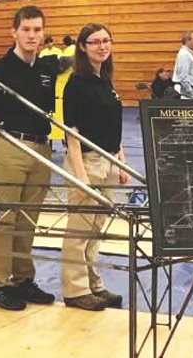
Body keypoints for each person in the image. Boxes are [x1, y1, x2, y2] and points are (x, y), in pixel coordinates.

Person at [0, 5, 59, 311]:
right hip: (10, 145)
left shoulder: (46, 69)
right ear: (14, 31)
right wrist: (4, 145)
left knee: (28, 219)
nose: (32, 35)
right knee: (5, 218)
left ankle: (23, 278)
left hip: (41, 148)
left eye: (37, 30)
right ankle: (0, 283)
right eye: (26, 29)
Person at [61, 22, 126, 311]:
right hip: (86, 161)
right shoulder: (76, 83)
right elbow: (71, 133)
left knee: (96, 230)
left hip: (108, 161)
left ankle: (93, 284)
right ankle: (75, 290)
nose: (102, 46)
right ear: (83, 47)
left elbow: (114, 127)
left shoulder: (105, 81)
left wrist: (121, 162)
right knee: (79, 230)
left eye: (106, 40)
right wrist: (81, 176)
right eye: (95, 41)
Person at [172, 30, 193, 99]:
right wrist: (190, 91)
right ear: (187, 41)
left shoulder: (189, 54)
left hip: (191, 89)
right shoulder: (184, 54)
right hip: (186, 91)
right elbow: (183, 75)